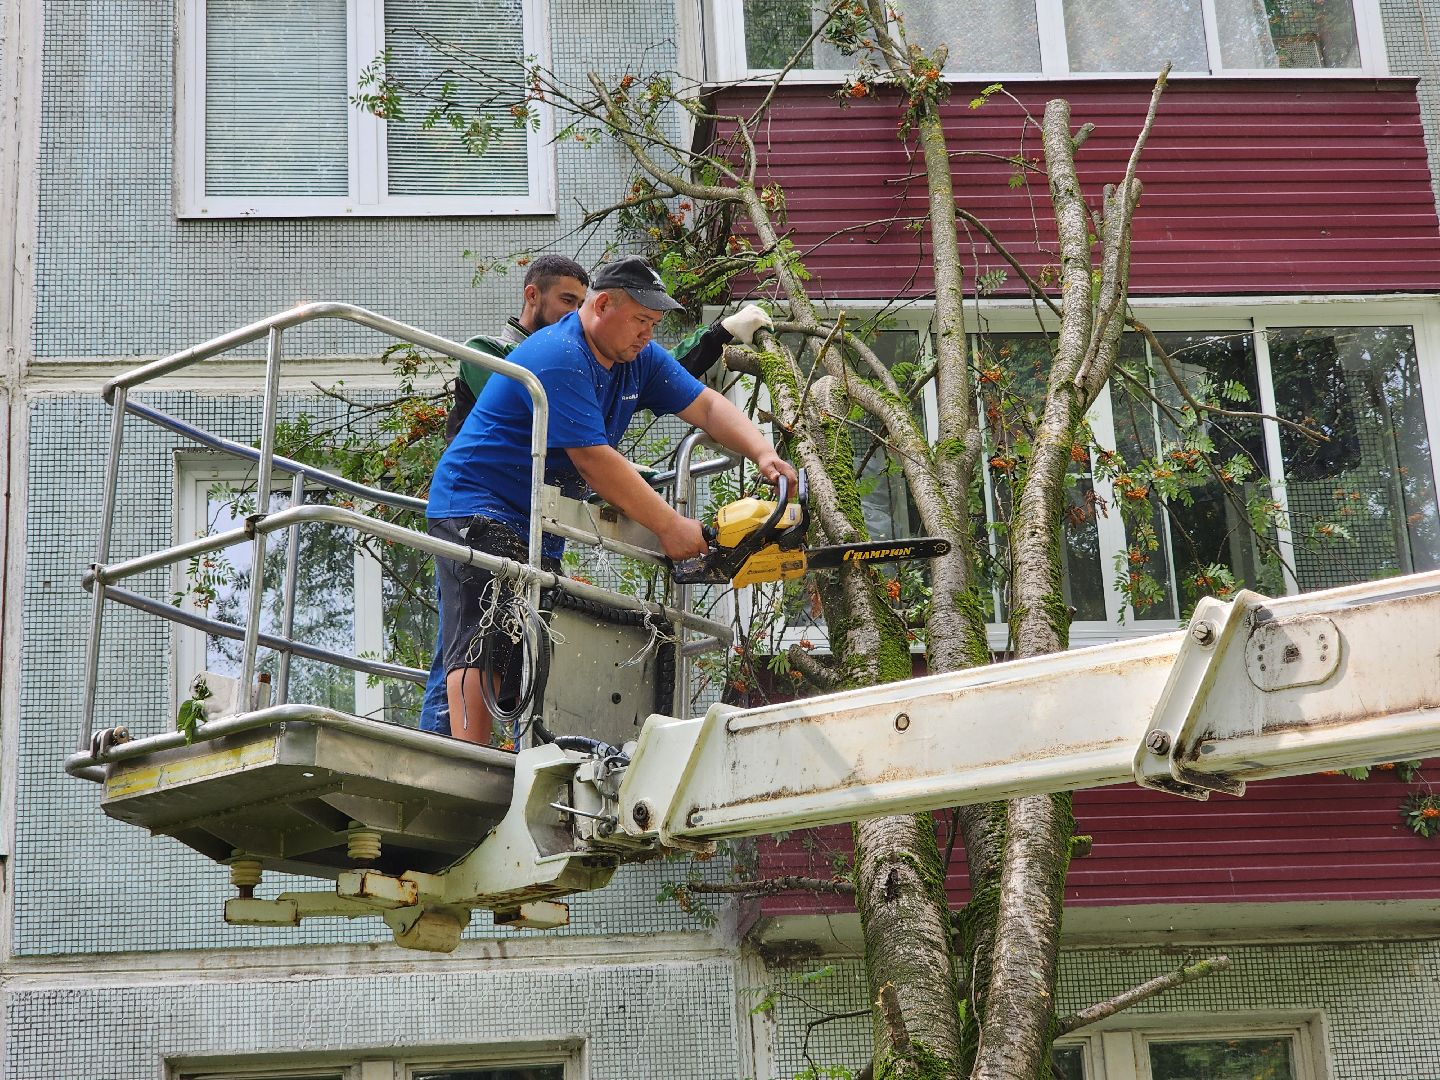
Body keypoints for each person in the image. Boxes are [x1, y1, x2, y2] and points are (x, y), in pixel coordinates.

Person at [425, 255, 796, 746]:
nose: (648, 333)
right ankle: (470, 761)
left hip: (539, 516)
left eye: (654, 324)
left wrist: (763, 452)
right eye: (641, 321)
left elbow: (705, 405)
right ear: (602, 305)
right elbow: (595, 462)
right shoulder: (560, 353)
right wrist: (669, 525)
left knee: (522, 648)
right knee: (484, 638)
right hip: (478, 505)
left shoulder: (636, 360)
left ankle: (504, 753)